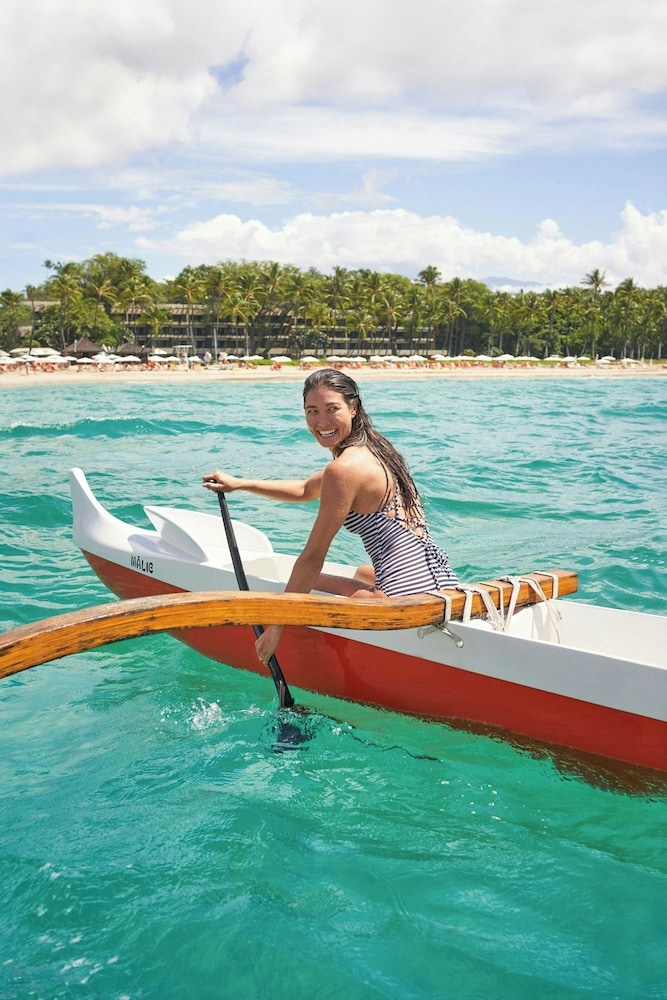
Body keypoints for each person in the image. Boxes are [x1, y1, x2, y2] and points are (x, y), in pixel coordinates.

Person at [203, 368, 459, 666]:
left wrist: (276, 626)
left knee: (309, 578)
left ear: (353, 407)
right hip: (443, 584)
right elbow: (304, 489)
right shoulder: (377, 448)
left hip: (406, 604)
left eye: (332, 409)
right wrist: (239, 484)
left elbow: (313, 557)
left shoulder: (344, 470)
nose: (321, 422)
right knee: (363, 573)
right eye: (312, 411)